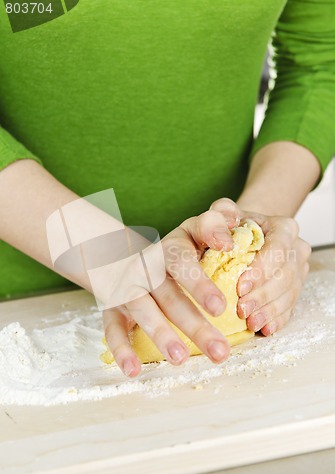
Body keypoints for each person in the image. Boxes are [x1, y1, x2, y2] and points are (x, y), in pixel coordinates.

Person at [0, 0, 334, 377]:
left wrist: (250, 231)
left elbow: (319, 62)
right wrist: (107, 255)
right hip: (21, 308)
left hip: (216, 304)